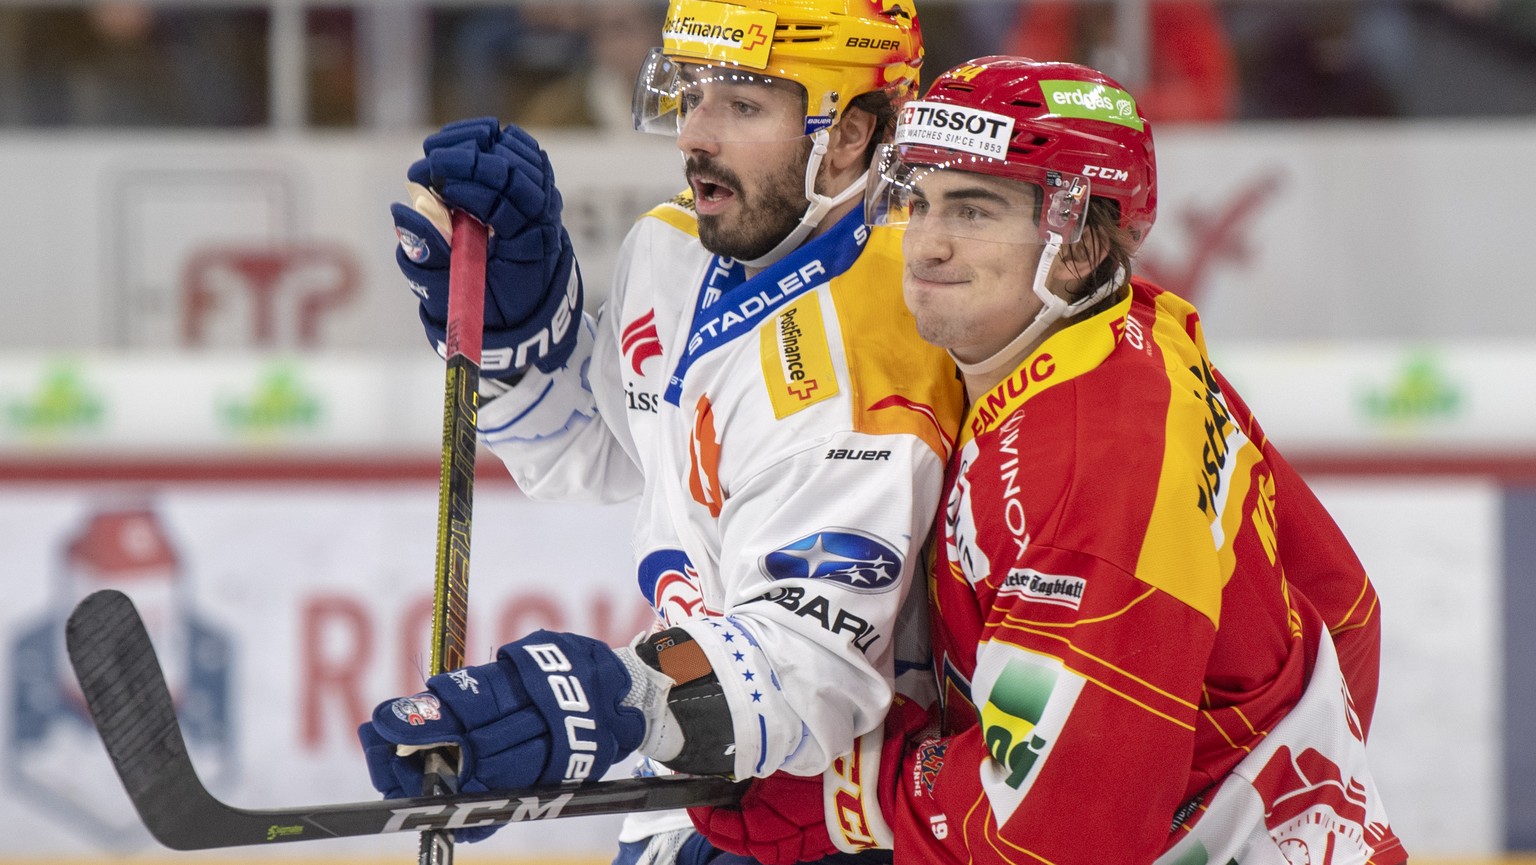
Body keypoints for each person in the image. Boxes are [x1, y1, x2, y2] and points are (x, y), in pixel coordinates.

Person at [695, 56, 1406, 864]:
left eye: (972, 211)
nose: (925, 244)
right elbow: (1344, 611)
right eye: (918, 201)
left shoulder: (1095, 460)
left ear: (1075, 246)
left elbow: (1057, 836)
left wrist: (864, 789)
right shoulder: (1134, 339)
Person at [359, 1, 964, 863]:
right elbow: (592, 449)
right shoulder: (675, 246)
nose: (695, 136)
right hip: (701, 779)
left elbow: (814, 669)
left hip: (831, 812)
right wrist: (519, 333)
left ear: (852, 135)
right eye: (692, 93)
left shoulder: (884, 341)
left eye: (744, 106)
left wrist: (602, 696)